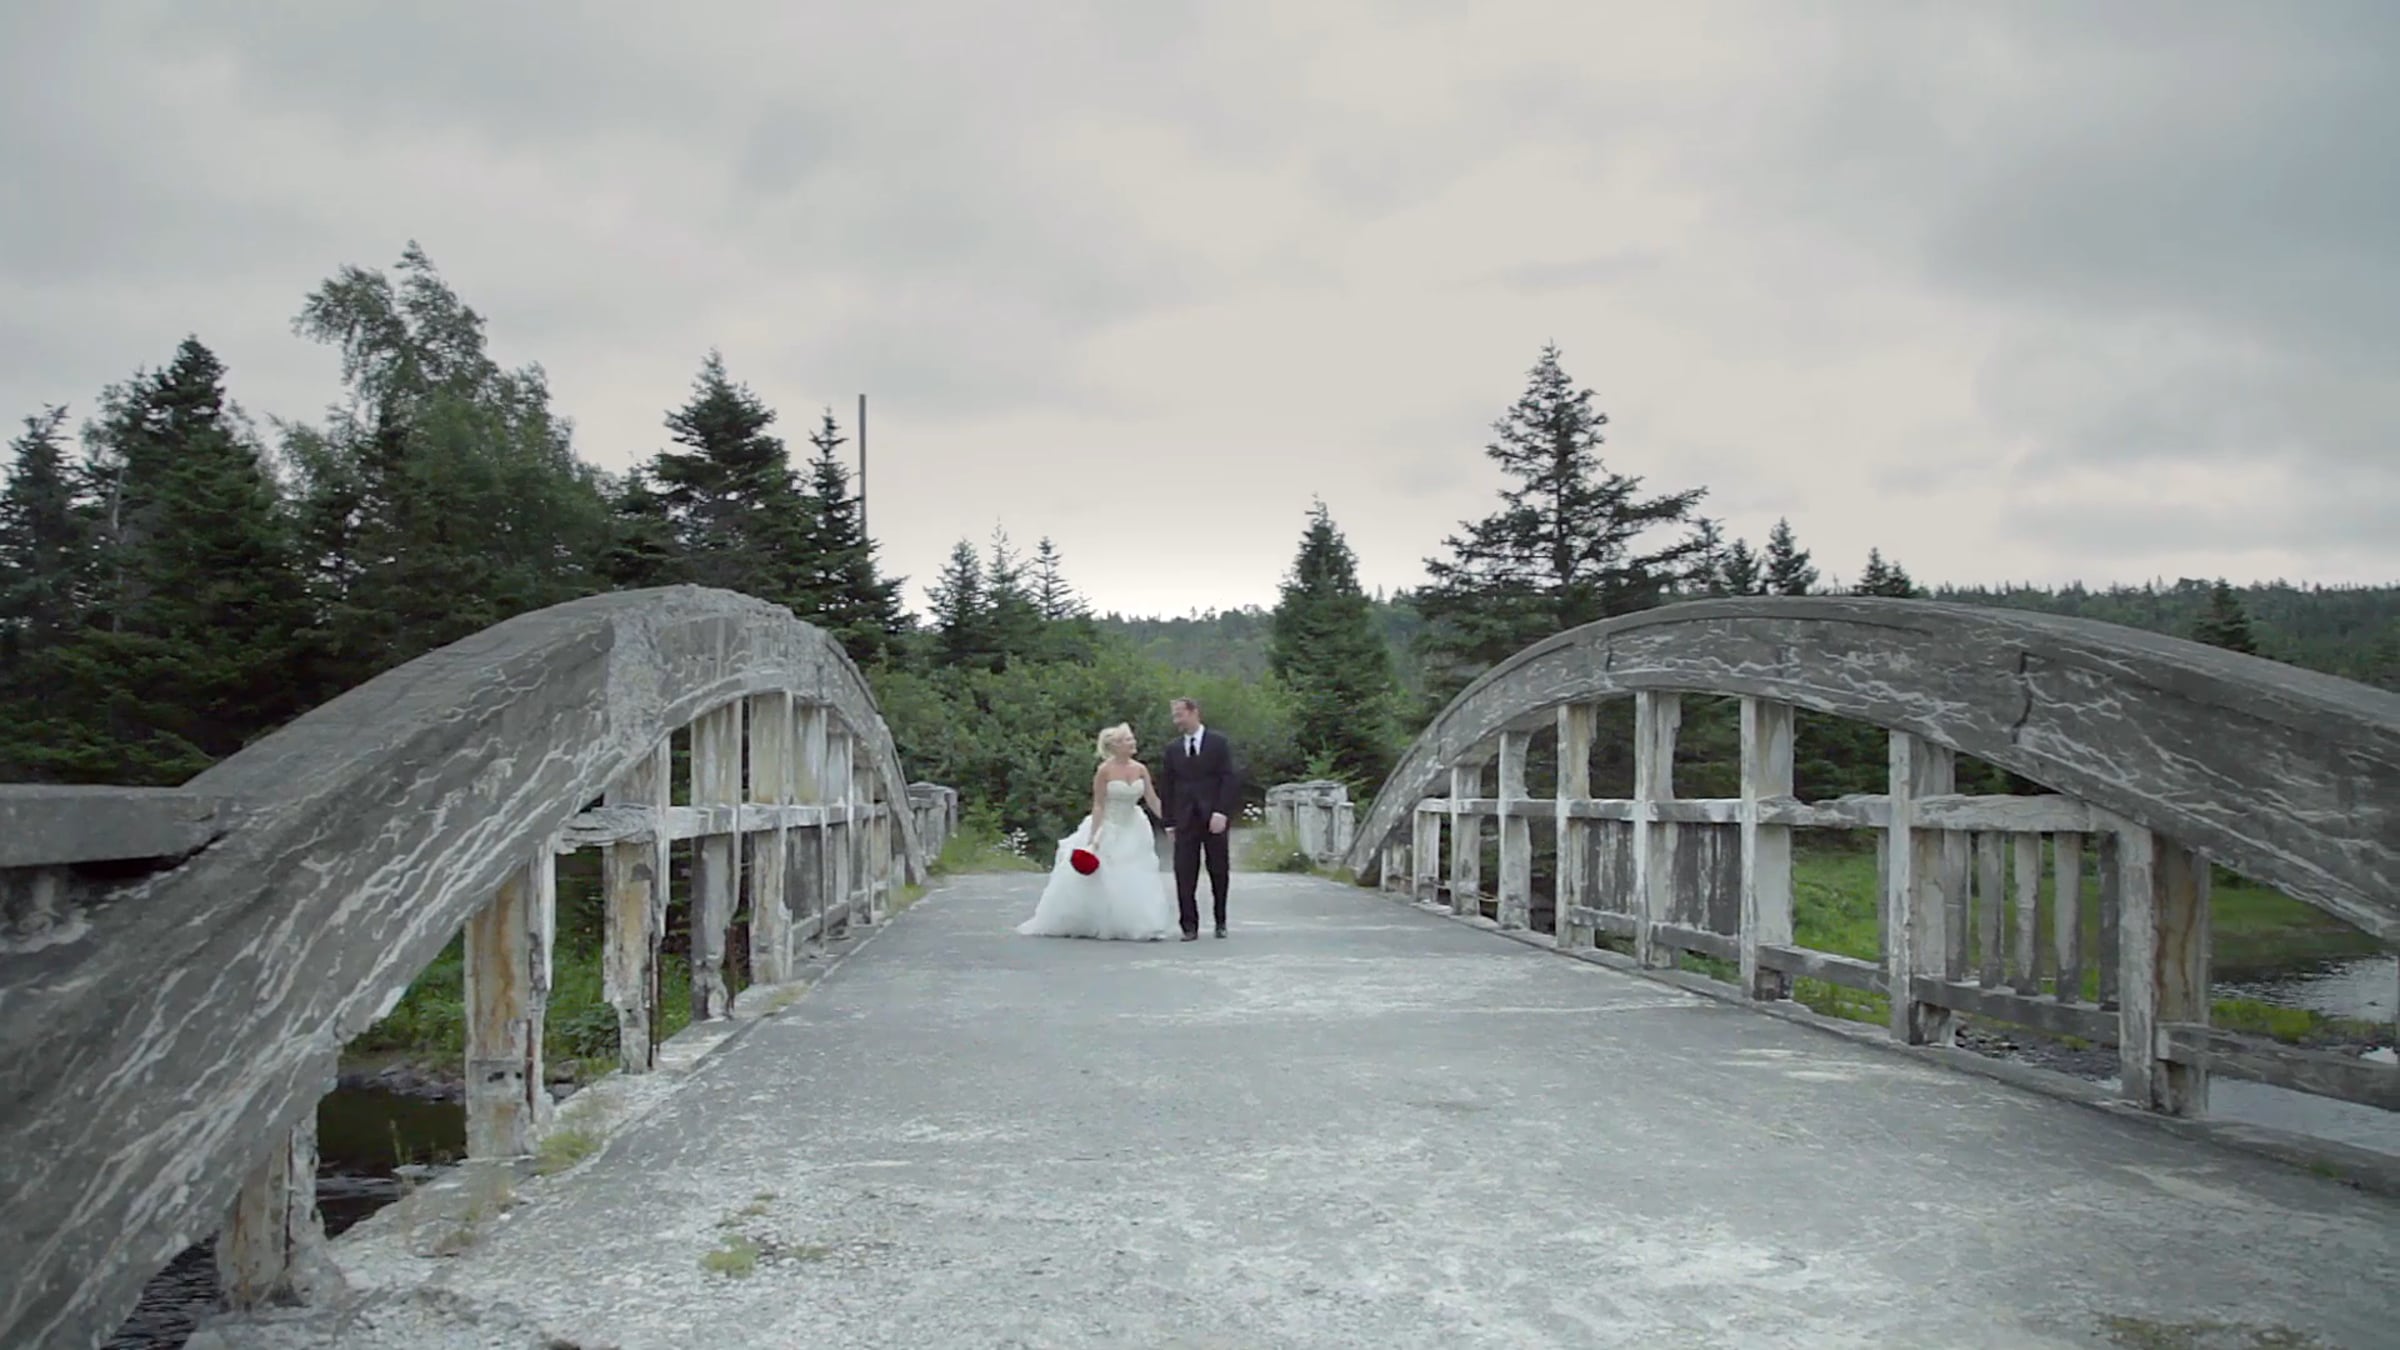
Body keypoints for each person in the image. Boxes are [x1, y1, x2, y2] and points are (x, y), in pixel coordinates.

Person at [1015, 723, 1177, 941]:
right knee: (1107, 873)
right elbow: (1099, 804)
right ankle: (1099, 919)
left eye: (1131, 739)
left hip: (1134, 826)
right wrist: (1095, 835)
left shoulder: (1140, 769)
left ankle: (1138, 922)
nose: (1133, 742)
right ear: (1116, 746)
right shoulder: (1104, 771)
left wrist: (1169, 822)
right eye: (1127, 740)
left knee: (1136, 872)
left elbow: (1152, 799)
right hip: (1109, 824)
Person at [1160, 696, 1238, 940]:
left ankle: (1220, 921)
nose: (1177, 720)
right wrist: (1169, 822)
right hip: (1184, 819)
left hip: (1213, 816)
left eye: (1180, 714)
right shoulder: (1173, 749)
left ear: (1194, 713)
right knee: (1184, 872)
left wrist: (1222, 811)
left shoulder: (1218, 743)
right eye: (1174, 716)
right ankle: (1189, 926)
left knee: (1218, 870)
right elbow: (1167, 786)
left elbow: (1229, 778)